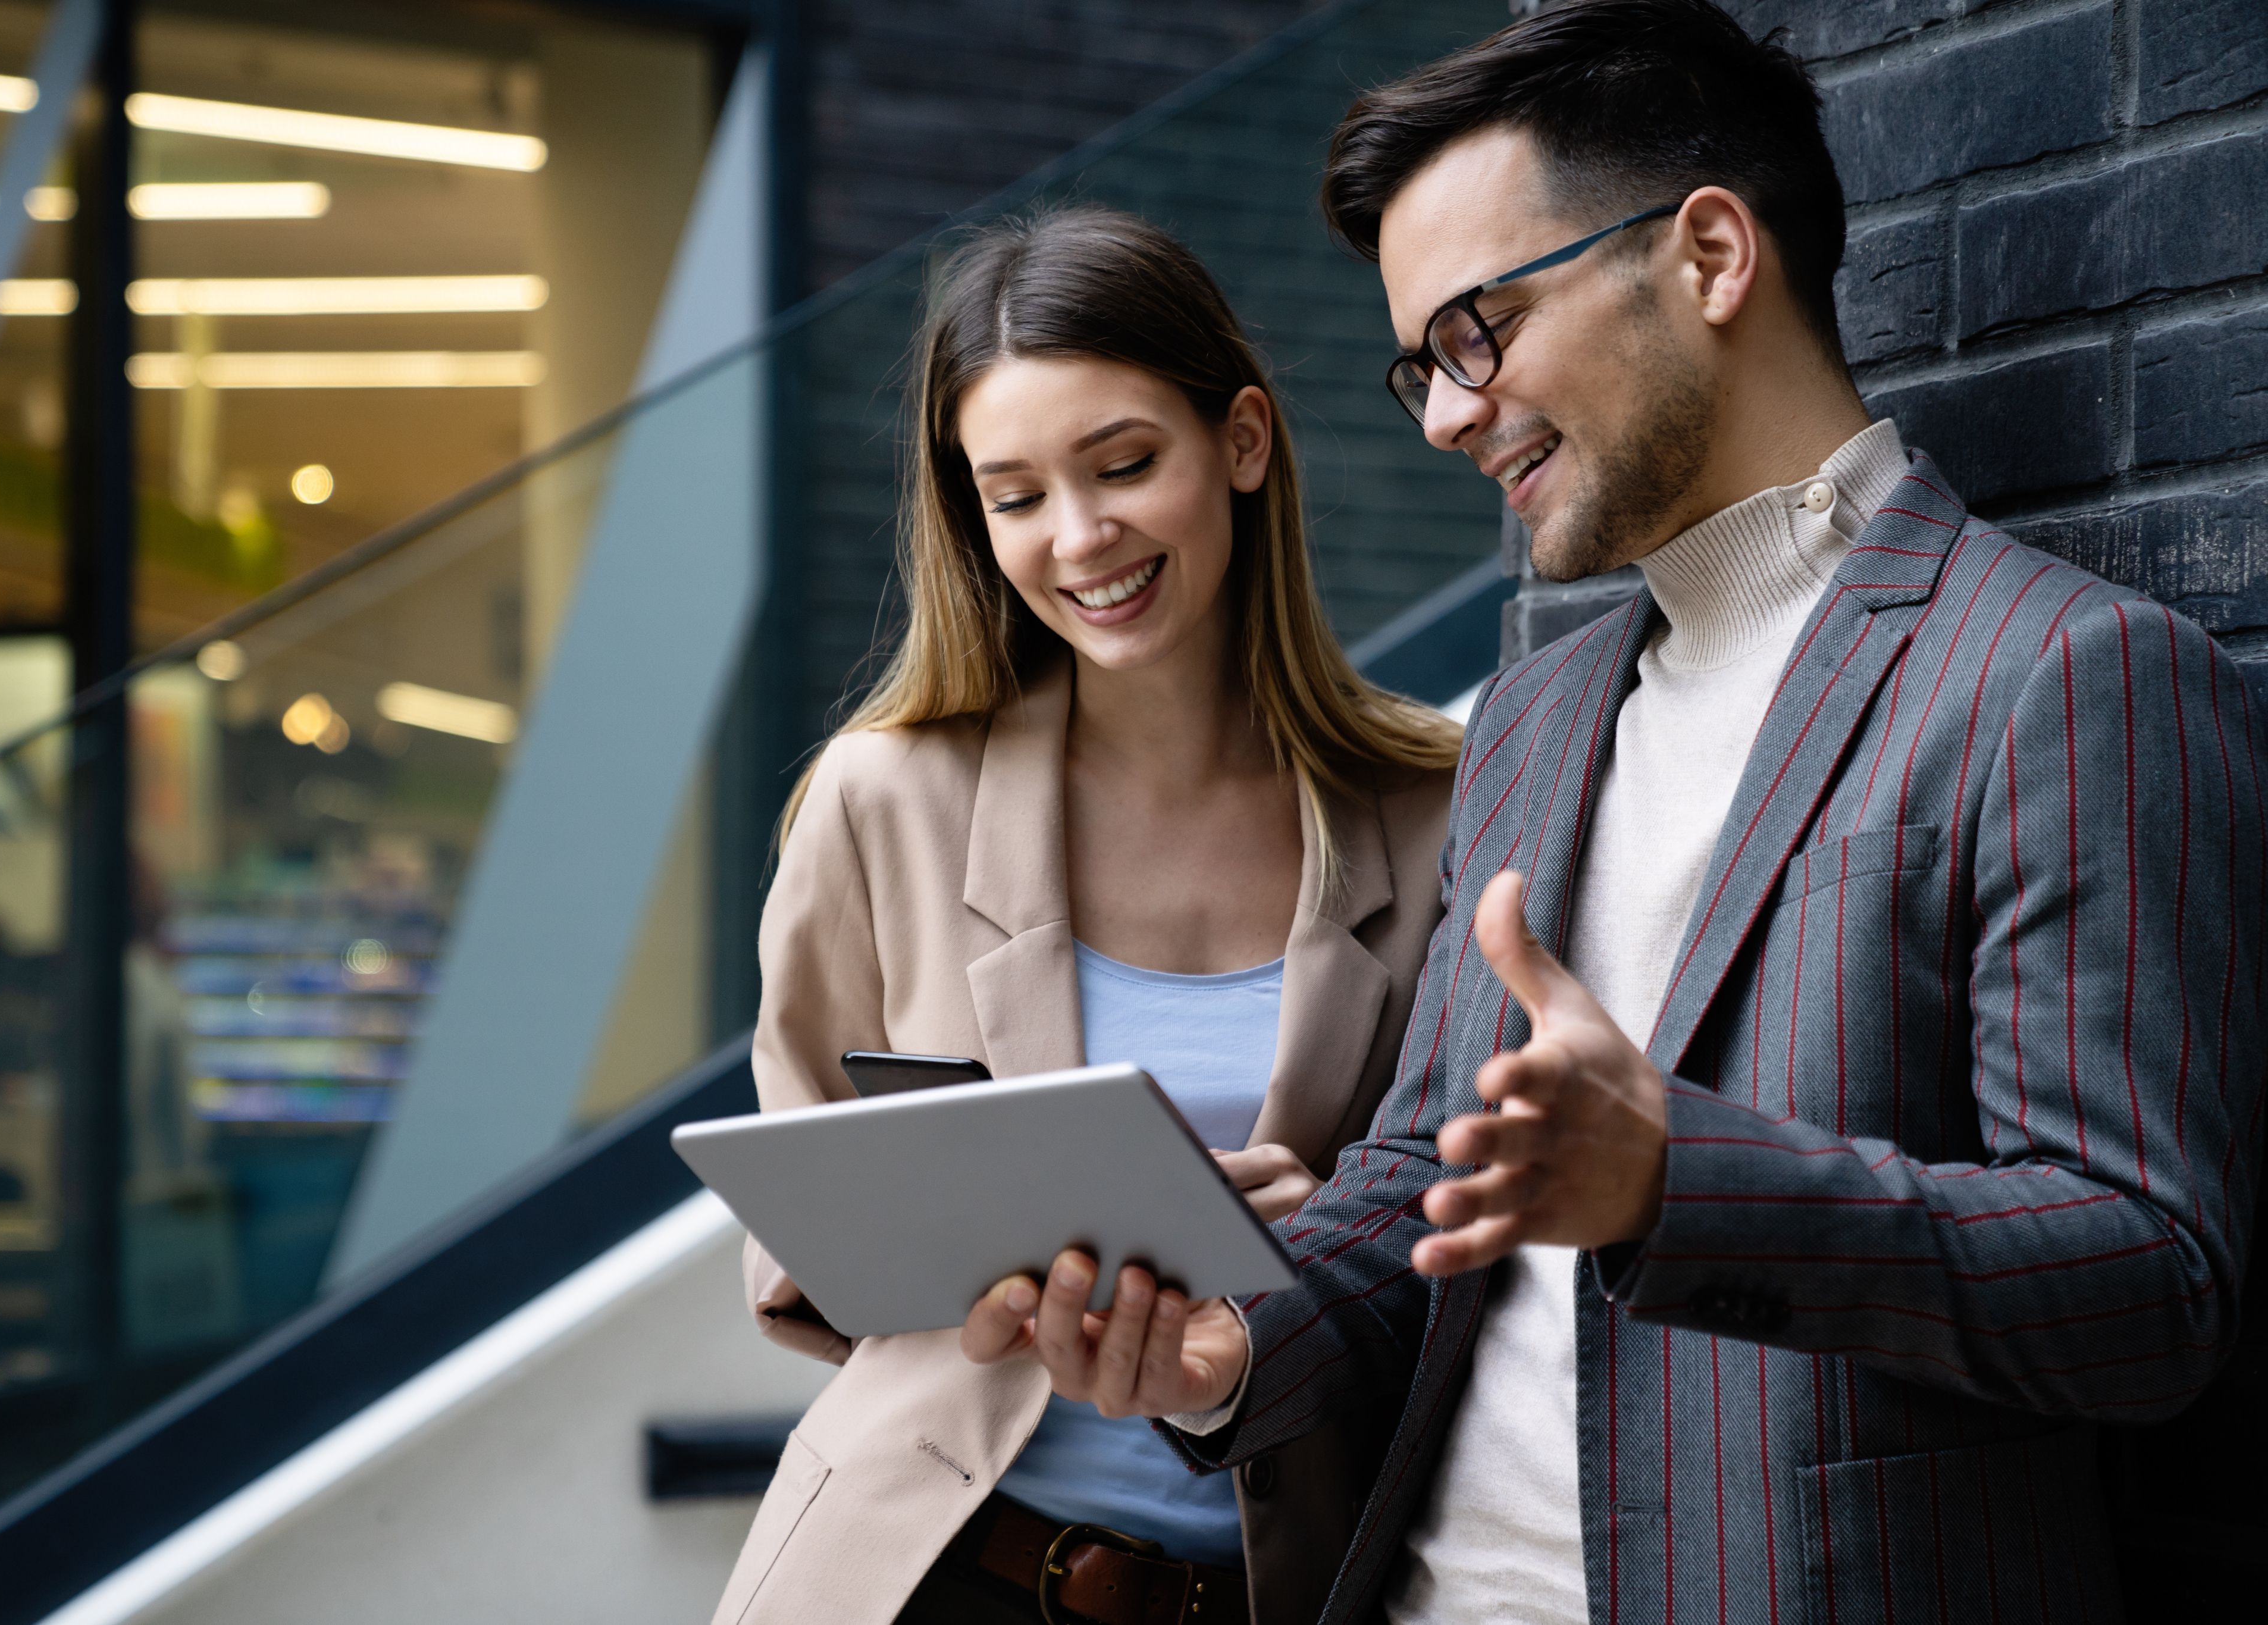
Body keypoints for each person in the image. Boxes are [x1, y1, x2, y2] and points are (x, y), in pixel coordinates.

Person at [958, 4, 2268, 1622]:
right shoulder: (1530, 717)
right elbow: (1421, 1182)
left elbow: (2152, 1285)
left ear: (1711, 255)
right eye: (1420, 364)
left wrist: (1678, 1181)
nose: (1443, 413)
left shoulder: (2063, 675)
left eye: (1476, 331)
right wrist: (1239, 1340)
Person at [712, 205, 1468, 1625]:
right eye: (1013, 496)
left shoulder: (1440, 810)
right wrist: (987, 1245)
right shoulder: (882, 799)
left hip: (1280, 1587)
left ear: (1241, 441)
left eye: (1124, 464)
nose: (1079, 538)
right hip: (933, 1574)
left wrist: (1326, 1252)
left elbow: (1478, 1245)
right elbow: (795, 1246)